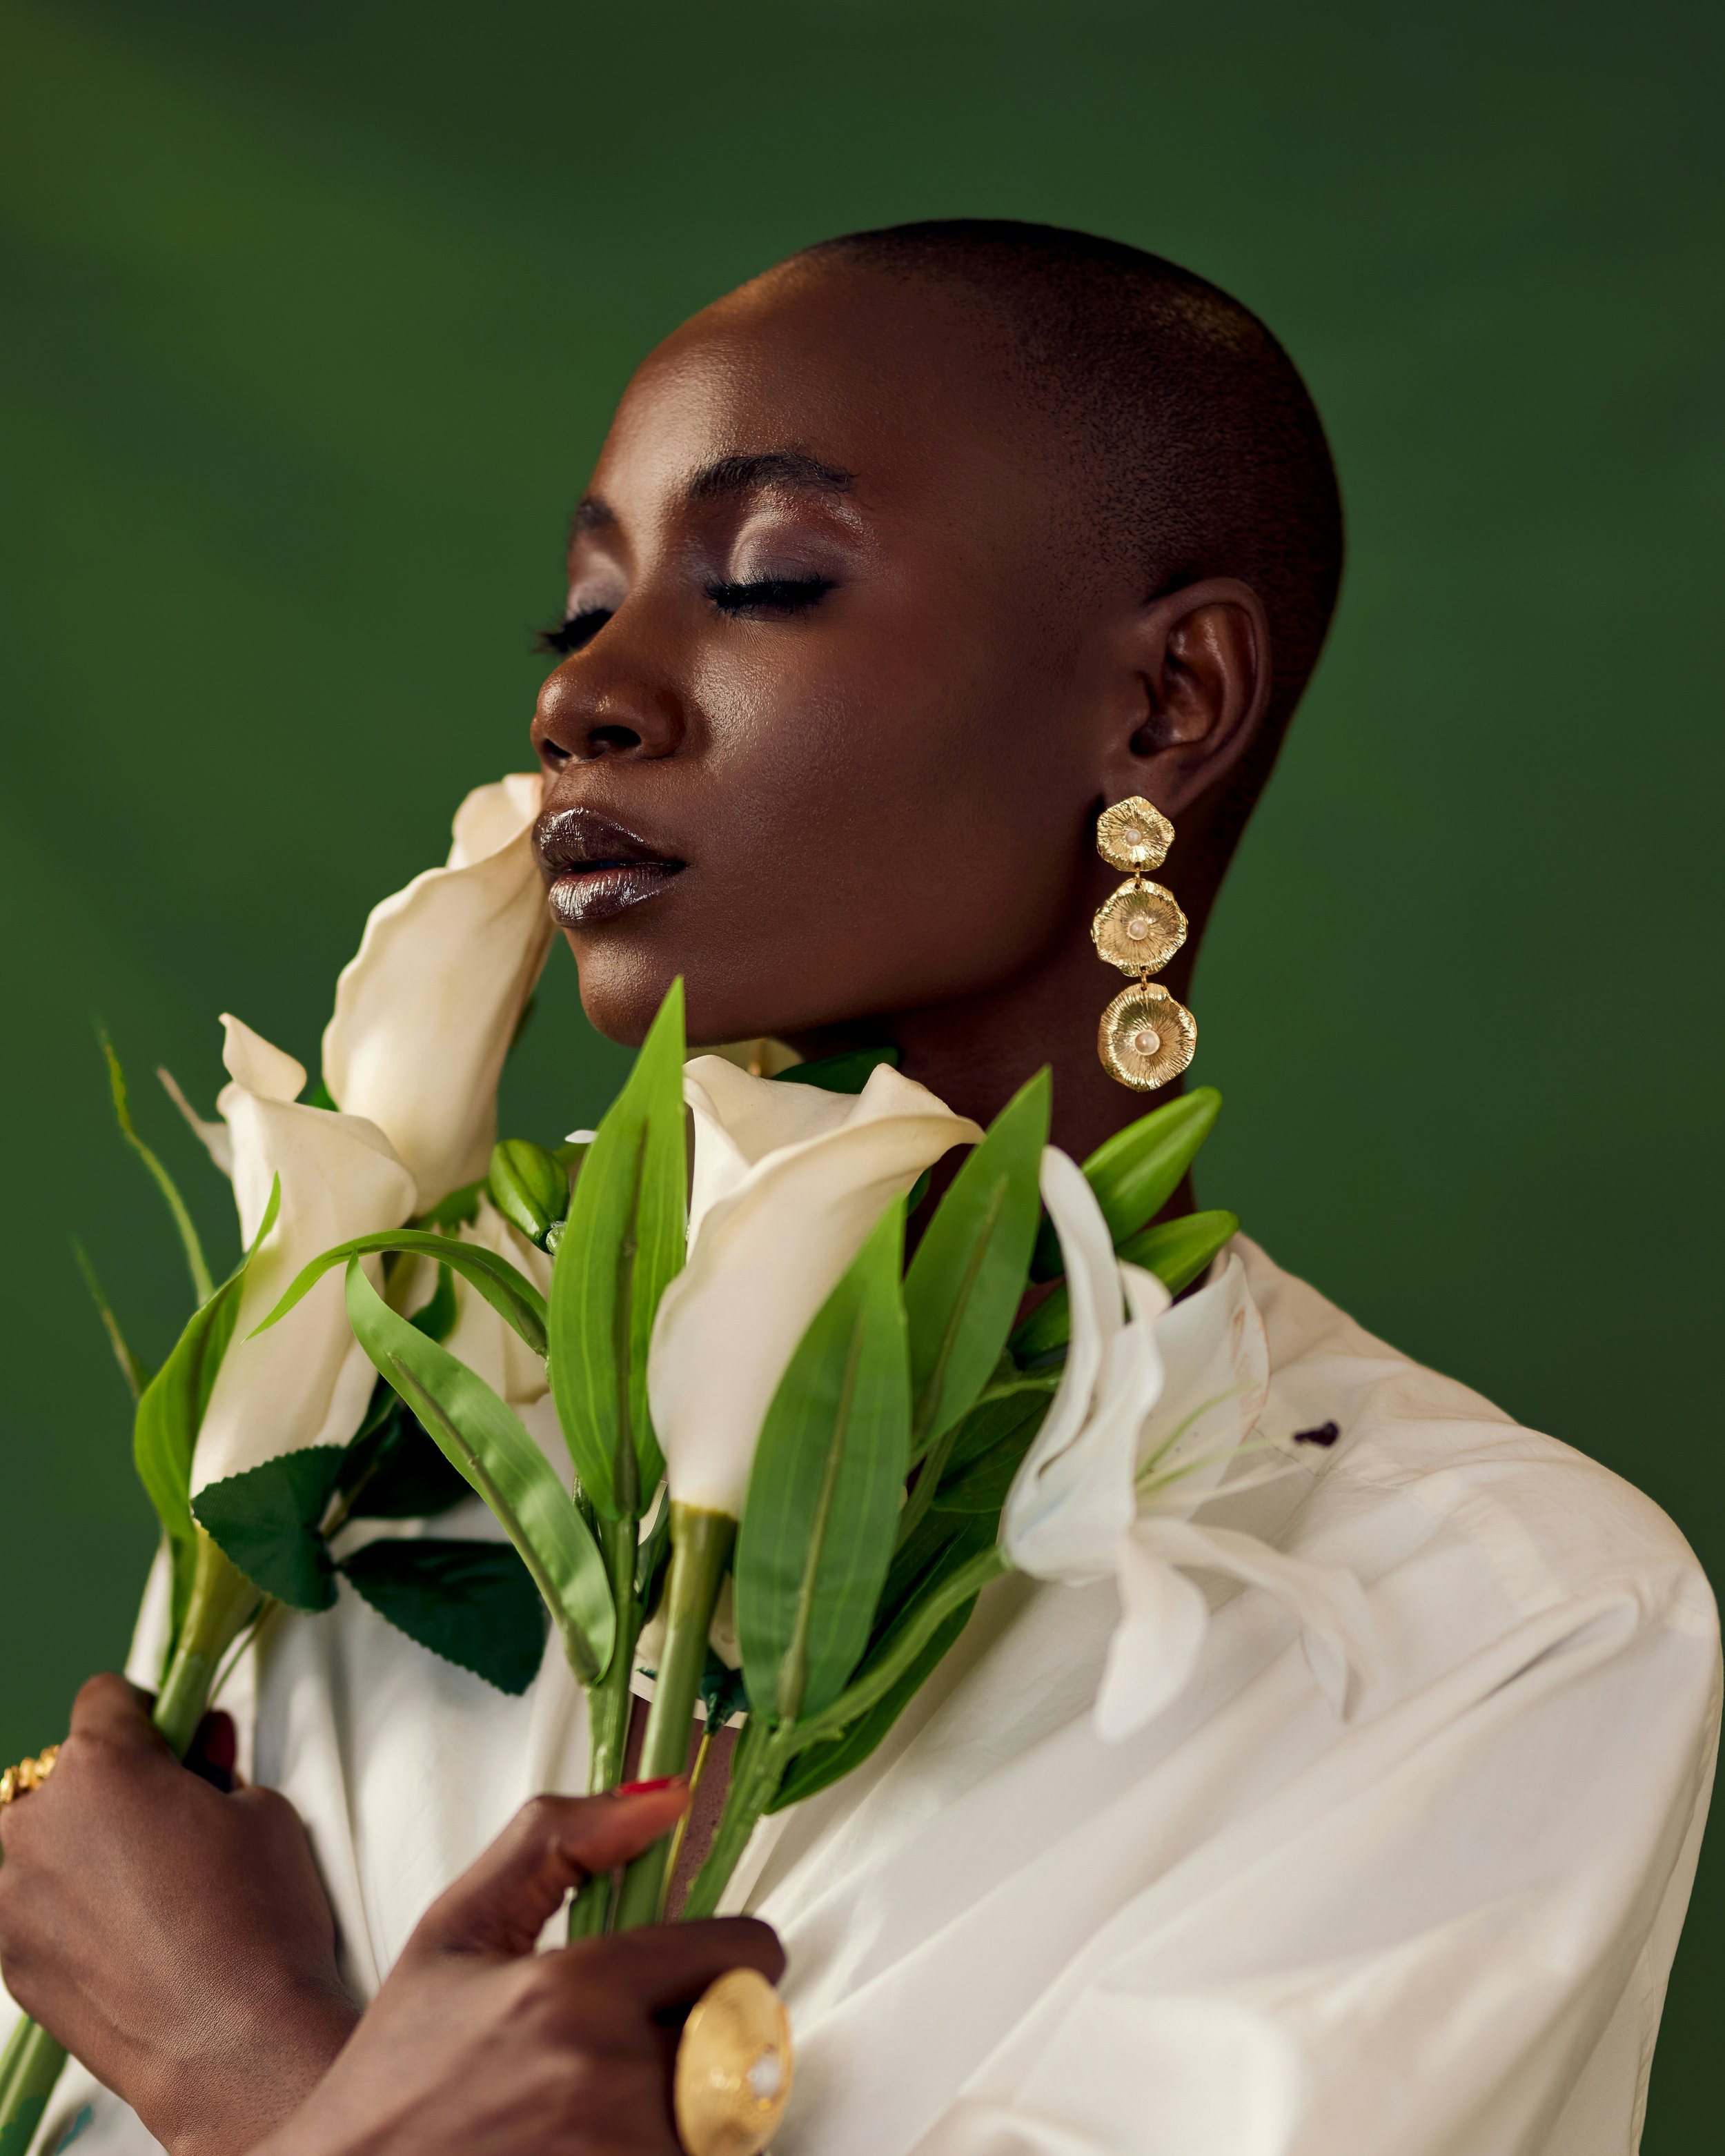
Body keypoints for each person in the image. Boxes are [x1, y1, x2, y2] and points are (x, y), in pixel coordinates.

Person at [0, 221, 1716, 2156]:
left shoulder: (1476, 1618)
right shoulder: (382, 1437)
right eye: (576, 612)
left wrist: (243, 2068)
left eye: (769, 580)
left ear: (1166, 704)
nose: (590, 695)